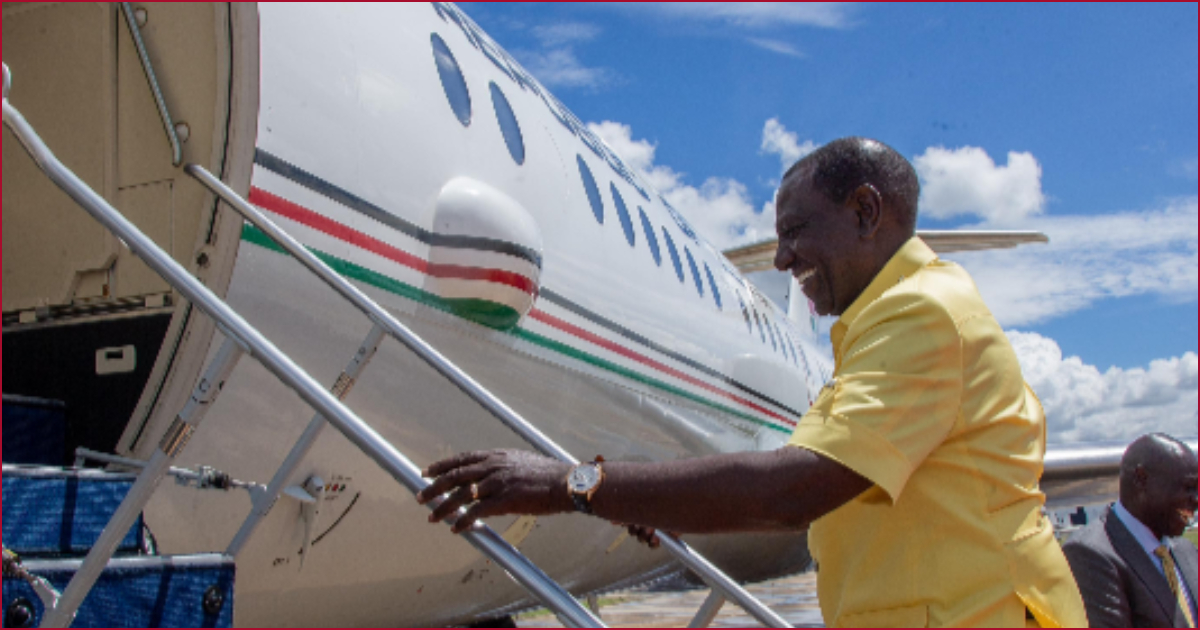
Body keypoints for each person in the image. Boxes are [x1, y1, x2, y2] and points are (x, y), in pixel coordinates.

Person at [417, 137, 1087, 628]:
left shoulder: (921, 312)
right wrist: (654, 500)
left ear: (864, 210)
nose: (783, 257)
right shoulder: (893, 322)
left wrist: (570, 483)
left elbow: (794, 490)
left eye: (795, 231)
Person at [1062, 434, 1199, 627]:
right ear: (1141, 479)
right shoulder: (1091, 555)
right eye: (1188, 488)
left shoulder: (1186, 551)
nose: (1196, 500)